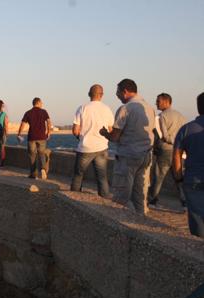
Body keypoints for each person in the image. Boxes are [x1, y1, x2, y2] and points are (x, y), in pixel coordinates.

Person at [100, 79, 156, 215]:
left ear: (125, 91)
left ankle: (123, 224)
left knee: (122, 196)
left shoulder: (126, 108)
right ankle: (141, 220)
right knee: (140, 195)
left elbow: (115, 137)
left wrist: (105, 133)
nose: (117, 96)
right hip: (145, 155)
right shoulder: (149, 107)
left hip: (128, 156)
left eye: (118, 93)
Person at [70, 84, 115, 197]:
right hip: (102, 147)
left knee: (78, 174)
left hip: (85, 147)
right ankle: (104, 198)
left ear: (89, 94)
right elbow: (111, 130)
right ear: (102, 95)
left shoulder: (82, 108)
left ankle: (74, 197)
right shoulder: (107, 109)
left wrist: (80, 137)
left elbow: (75, 130)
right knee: (102, 176)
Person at [172, 92, 204, 237]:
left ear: (198, 107)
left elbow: (176, 154)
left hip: (193, 180)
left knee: (197, 220)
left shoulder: (186, 129)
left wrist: (178, 176)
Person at [149, 93, 187, 208]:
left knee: (158, 176)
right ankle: (184, 202)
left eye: (158, 101)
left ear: (166, 102)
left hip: (166, 150)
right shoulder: (181, 116)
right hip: (179, 151)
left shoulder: (161, 116)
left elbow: (164, 136)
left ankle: (153, 201)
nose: (156, 103)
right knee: (178, 178)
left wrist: (171, 141)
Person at [17, 98, 52, 179]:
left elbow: (22, 124)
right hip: (42, 137)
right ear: (38, 103)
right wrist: (49, 132)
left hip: (32, 137)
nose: (42, 104)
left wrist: (19, 134)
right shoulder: (44, 112)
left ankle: (33, 174)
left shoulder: (28, 112)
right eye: (41, 102)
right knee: (42, 153)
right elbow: (49, 122)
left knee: (32, 155)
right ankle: (43, 168)